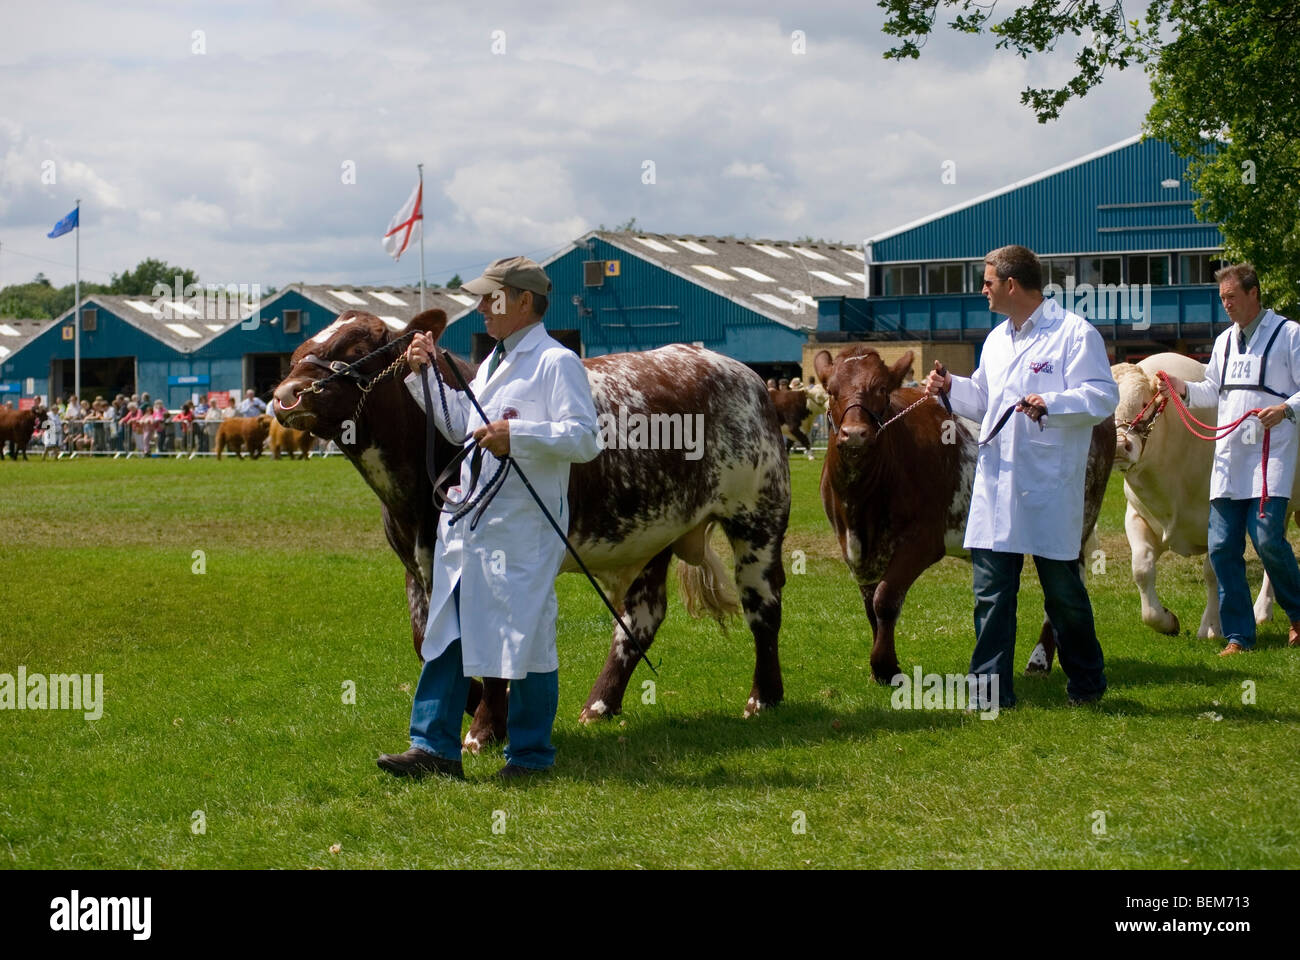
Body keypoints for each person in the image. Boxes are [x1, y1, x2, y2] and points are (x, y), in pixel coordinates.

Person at [378, 255, 601, 780]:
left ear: (523, 302)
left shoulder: (555, 361)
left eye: (490, 297)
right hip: (474, 523)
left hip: (523, 528)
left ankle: (529, 757)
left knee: (525, 639)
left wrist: (516, 437)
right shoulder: (497, 361)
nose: (480, 307)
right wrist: (424, 374)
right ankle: (433, 748)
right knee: (449, 632)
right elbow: (462, 425)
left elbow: (585, 439)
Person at [925, 244, 1118, 708]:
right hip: (997, 484)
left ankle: (1088, 685)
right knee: (990, 593)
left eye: (987, 282)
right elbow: (987, 401)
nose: (982, 290)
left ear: (1011, 285)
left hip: (1048, 484)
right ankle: (989, 693)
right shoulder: (995, 339)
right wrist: (953, 389)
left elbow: (1102, 396)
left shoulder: (1073, 334)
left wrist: (1052, 403)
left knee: (1064, 596)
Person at [1158, 263, 1300, 655]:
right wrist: (1182, 388)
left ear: (1254, 294)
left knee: (1269, 538)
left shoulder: (1289, 335)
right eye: (1222, 299)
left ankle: (1298, 613)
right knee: (1221, 547)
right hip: (1229, 457)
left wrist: (1286, 409)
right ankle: (1239, 634)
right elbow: (1212, 392)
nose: (1227, 305)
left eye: (1232, 297)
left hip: (1271, 452)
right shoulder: (1223, 342)